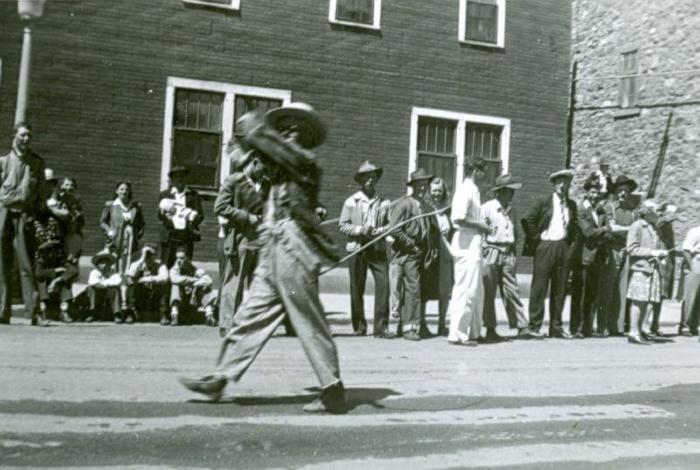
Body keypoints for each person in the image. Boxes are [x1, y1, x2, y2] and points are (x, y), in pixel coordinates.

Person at [180, 105, 347, 414]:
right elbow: (261, 180)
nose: (289, 130)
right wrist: (245, 156)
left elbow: (276, 151)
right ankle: (220, 377)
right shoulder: (280, 169)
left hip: (294, 246)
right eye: (285, 126)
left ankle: (332, 389)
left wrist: (252, 133)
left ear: (307, 135)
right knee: (249, 313)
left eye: (296, 127)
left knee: (308, 319)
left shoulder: (307, 162)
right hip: (272, 246)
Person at [214, 148, 270, 334]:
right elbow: (220, 207)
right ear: (254, 161)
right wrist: (246, 217)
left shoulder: (267, 185)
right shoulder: (234, 181)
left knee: (258, 284)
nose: (266, 171)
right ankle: (227, 325)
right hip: (239, 238)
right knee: (234, 282)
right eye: (264, 166)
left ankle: (251, 324)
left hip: (261, 240)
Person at [522, 169, 578, 339]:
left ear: (569, 185)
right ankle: (534, 326)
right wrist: (538, 239)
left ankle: (556, 327)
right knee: (539, 287)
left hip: (563, 247)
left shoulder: (571, 205)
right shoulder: (543, 202)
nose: (563, 185)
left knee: (560, 288)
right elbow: (527, 219)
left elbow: (574, 229)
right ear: (554, 185)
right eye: (559, 182)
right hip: (545, 246)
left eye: (566, 182)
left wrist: (570, 248)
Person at [339, 161, 392, 338]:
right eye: (366, 177)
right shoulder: (351, 202)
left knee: (384, 283)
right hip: (357, 247)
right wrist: (359, 229)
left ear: (377, 179)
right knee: (357, 287)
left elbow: (390, 226)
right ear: (361, 180)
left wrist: (379, 231)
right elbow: (343, 225)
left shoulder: (384, 203)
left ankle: (381, 327)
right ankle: (360, 327)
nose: (370, 180)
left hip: (377, 247)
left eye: (373, 177)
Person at [0, 122, 46, 325]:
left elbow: (42, 192)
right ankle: (2, 311)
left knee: (27, 264)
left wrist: (34, 213)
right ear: (14, 137)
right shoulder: (3, 161)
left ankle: (34, 312)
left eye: (29, 136)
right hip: (4, 213)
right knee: (2, 263)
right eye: (23, 135)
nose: (26, 139)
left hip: (25, 215)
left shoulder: (36, 163)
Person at [481, 174, 535, 340]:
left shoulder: (511, 210)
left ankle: (521, 326)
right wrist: (484, 249)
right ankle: (490, 328)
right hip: (491, 251)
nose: (512, 194)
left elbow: (515, 233)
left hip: (508, 253)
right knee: (489, 292)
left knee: (512, 290)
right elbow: (481, 230)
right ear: (501, 191)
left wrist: (512, 251)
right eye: (509, 191)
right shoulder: (488, 207)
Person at [446, 159, 490, 346]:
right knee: (466, 289)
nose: (485, 175)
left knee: (476, 290)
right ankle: (458, 334)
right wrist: (480, 225)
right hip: (466, 241)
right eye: (483, 171)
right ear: (475, 171)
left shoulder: (474, 191)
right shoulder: (465, 190)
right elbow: (458, 218)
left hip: (474, 242)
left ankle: (473, 332)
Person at [388, 168, 434, 341]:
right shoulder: (405, 204)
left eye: (425, 185)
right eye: (419, 185)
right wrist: (410, 244)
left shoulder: (424, 206)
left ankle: (416, 325)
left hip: (422, 253)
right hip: (407, 253)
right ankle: (409, 328)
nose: (422, 188)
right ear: (413, 186)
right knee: (412, 289)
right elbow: (392, 229)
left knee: (418, 289)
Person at [569, 177, 612, 338]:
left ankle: (588, 327)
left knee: (593, 293)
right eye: (592, 192)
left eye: (597, 193)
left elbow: (609, 234)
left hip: (598, 257)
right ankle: (577, 328)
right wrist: (604, 229)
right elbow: (587, 233)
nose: (595, 196)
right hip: (584, 257)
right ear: (586, 193)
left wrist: (603, 230)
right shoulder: (581, 210)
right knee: (581, 293)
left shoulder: (600, 211)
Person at [625, 200, 669, 345]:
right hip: (641, 268)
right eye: (657, 209)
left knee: (648, 300)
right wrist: (653, 252)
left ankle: (639, 330)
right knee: (638, 300)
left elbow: (658, 245)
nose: (660, 212)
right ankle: (633, 331)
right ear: (648, 211)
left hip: (652, 269)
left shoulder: (654, 227)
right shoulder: (637, 226)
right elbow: (631, 249)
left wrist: (661, 255)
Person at [601, 175, 639, 335]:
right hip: (611, 250)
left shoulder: (632, 213)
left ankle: (617, 327)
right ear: (616, 192)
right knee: (607, 288)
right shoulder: (609, 208)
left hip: (626, 251)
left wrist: (624, 230)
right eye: (621, 191)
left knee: (622, 289)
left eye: (627, 191)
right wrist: (629, 229)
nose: (624, 194)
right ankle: (602, 326)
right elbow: (611, 228)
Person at [423, 177, 453, 337]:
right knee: (427, 289)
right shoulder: (426, 209)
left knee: (445, 291)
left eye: (439, 191)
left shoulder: (448, 209)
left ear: (444, 193)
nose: (436, 194)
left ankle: (442, 324)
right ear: (429, 191)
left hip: (446, 253)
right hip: (432, 253)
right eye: (434, 190)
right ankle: (423, 324)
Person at [158, 166, 204, 268]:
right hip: (169, 235)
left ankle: (182, 283)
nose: (180, 179)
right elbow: (160, 215)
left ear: (186, 178)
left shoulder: (193, 195)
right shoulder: (164, 195)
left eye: (182, 176)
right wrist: (166, 216)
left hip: (186, 235)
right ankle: (165, 284)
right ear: (172, 180)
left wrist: (191, 220)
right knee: (166, 264)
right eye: (176, 177)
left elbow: (200, 215)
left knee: (184, 265)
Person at [169, 247, 216, 326]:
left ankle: (209, 316)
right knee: (175, 286)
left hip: (193, 301)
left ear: (188, 259)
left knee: (204, 286)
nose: (178, 261)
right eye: (177, 258)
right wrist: (193, 280)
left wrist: (195, 284)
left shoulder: (195, 269)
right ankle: (174, 315)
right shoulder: (174, 269)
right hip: (181, 301)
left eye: (181, 258)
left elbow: (209, 281)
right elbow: (174, 279)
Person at [126, 245, 169, 324]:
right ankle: (130, 313)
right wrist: (142, 258)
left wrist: (145, 279)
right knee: (132, 286)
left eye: (151, 254)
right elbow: (130, 275)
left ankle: (164, 315)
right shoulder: (137, 265)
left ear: (155, 256)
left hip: (154, 295)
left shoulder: (160, 266)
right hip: (141, 295)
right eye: (147, 255)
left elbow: (165, 278)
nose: (149, 257)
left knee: (163, 287)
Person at [86, 250, 123, 322]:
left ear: (109, 263)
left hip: (109, 293)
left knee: (115, 289)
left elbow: (117, 281)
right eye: (102, 263)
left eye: (107, 262)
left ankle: (117, 314)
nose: (105, 265)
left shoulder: (113, 272)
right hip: (98, 293)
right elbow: (92, 282)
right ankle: (92, 313)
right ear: (98, 264)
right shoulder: (94, 272)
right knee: (91, 289)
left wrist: (102, 283)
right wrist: (108, 283)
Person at [679, 223, 700, 337]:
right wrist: (692, 266)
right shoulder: (696, 231)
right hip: (697, 262)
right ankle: (685, 325)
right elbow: (686, 249)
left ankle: (694, 325)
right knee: (690, 297)